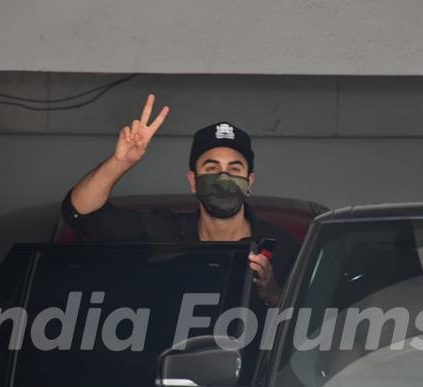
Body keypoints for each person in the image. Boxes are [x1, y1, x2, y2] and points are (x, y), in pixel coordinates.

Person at [61, 94, 299, 306]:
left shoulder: (283, 248)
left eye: (234, 169)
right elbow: (81, 213)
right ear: (193, 180)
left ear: (250, 181)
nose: (223, 177)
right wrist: (120, 163)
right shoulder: (161, 233)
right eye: (212, 167)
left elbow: (312, 322)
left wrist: (272, 293)